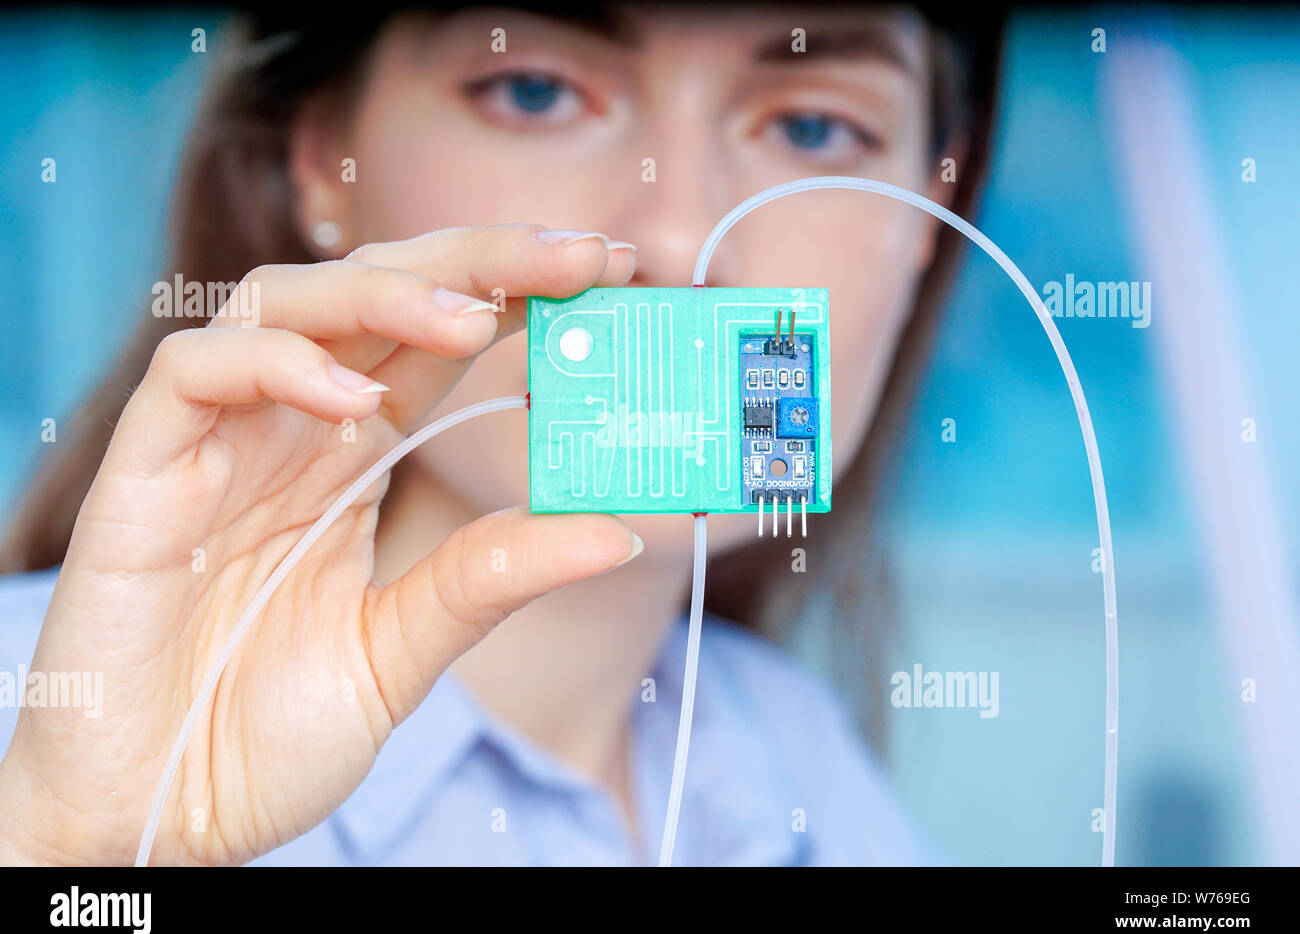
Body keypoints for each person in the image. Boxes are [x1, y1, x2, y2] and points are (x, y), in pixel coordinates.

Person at [0, 3, 1001, 865]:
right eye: (534, 92)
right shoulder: (41, 716)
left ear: (930, 213)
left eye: (817, 129)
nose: (678, 238)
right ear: (323, 161)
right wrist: (72, 859)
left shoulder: (805, 762)